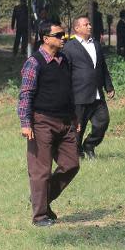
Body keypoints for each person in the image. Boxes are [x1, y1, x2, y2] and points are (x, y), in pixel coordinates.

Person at [17, 21, 80, 226]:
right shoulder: (34, 62)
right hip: (41, 122)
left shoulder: (64, 60)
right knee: (40, 171)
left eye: (63, 34)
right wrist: (26, 123)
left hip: (65, 121)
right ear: (46, 38)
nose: (63, 37)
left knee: (71, 165)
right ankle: (39, 216)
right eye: (58, 34)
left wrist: (75, 117)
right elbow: (26, 94)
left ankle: (41, 200)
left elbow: (68, 91)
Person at [63, 16, 115, 159]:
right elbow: (64, 72)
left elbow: (102, 67)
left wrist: (108, 86)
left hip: (97, 94)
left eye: (90, 24)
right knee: (78, 128)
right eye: (86, 25)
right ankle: (76, 151)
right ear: (77, 28)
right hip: (79, 95)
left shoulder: (96, 45)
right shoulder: (69, 47)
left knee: (103, 121)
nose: (90, 27)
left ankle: (89, 145)